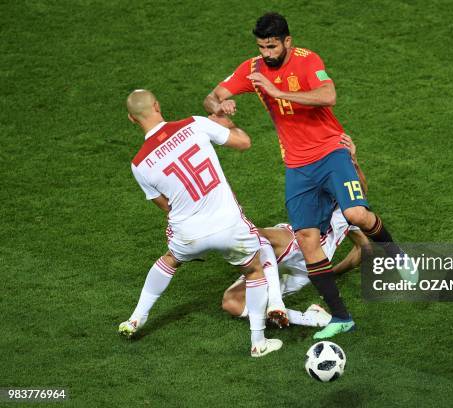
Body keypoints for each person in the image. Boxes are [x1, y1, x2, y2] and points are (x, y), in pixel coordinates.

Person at [204, 13, 413, 339]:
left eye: (272, 47)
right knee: (306, 238)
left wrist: (278, 93)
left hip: (331, 151)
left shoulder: (307, 60)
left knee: (356, 213)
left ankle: (399, 258)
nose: (267, 54)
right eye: (261, 47)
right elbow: (214, 94)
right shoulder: (253, 68)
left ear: (288, 42)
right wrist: (219, 105)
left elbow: (328, 95)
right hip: (297, 165)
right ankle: (341, 317)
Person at [119, 89, 282, 358]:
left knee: (171, 259)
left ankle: (136, 317)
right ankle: (258, 342)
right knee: (254, 271)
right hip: (229, 224)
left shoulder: (139, 164)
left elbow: (165, 206)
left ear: (132, 119)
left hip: (189, 232)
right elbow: (244, 143)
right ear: (158, 105)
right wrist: (227, 124)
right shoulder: (194, 124)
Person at [222, 134, 370, 328]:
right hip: (305, 270)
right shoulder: (352, 212)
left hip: (298, 245)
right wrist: (331, 272)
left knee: (253, 236)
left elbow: (363, 247)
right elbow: (364, 248)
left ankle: (275, 299)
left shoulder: (346, 208)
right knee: (232, 303)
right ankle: (309, 318)